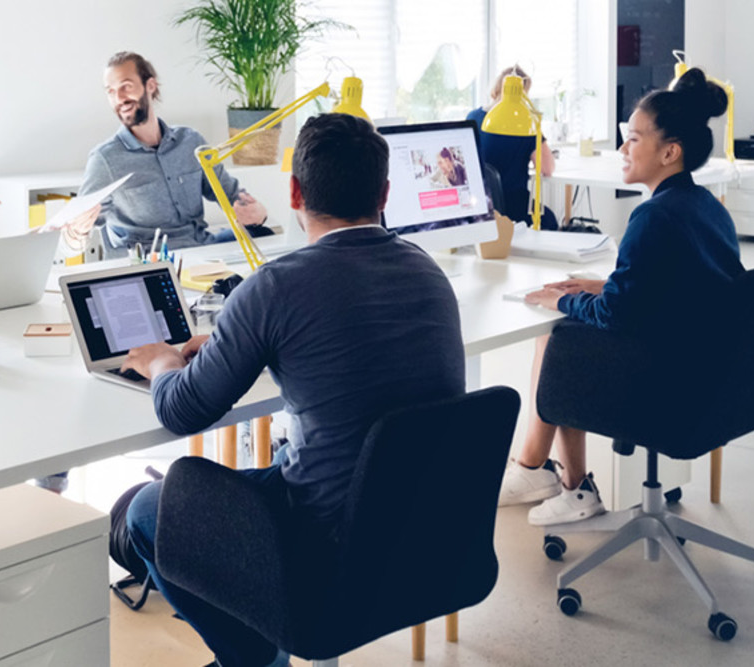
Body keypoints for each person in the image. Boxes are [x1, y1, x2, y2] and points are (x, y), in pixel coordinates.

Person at [119, 113, 465, 667]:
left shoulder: (275, 287)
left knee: (145, 510)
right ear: (385, 194)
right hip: (419, 532)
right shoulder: (428, 272)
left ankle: (254, 658)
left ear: (295, 191)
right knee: (268, 469)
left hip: (325, 542)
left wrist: (162, 362)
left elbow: (183, 411)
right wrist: (238, 337)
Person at [499, 69, 743, 526]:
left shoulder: (652, 216)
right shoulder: (705, 206)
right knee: (571, 318)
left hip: (669, 385)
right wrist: (600, 285)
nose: (622, 150)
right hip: (714, 375)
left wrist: (565, 301)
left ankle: (556, 480)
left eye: (633, 139)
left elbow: (615, 315)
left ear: (670, 152)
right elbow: (685, 286)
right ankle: (546, 475)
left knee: (560, 336)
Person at [74, 51, 272, 258]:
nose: (119, 98)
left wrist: (258, 213)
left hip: (202, 249)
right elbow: (76, 234)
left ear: (150, 85)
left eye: (126, 87)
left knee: (263, 235)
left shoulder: (190, 142)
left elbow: (231, 195)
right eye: (111, 91)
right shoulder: (105, 159)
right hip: (151, 263)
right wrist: (76, 233)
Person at [467, 65, 557, 228]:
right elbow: (547, 168)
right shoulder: (524, 124)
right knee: (550, 221)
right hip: (515, 207)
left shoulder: (473, 118)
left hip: (480, 207)